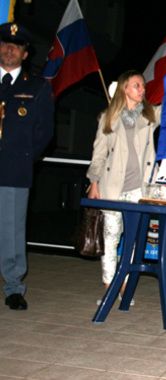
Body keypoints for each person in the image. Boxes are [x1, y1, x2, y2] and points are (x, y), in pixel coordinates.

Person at [86, 70, 161, 300]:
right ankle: (110, 286)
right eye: (137, 85)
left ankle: (124, 285)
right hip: (112, 187)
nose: (142, 89)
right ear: (124, 89)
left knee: (134, 238)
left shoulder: (150, 115)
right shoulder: (108, 117)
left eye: (143, 86)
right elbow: (98, 154)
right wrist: (94, 181)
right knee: (111, 237)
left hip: (140, 188)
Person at [0, 22, 55, 310]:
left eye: (16, 46)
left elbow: (44, 132)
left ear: (25, 54)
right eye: (5, 44)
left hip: (14, 170)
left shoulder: (36, 87)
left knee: (11, 232)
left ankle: (13, 288)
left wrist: (22, 156)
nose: (9, 49)